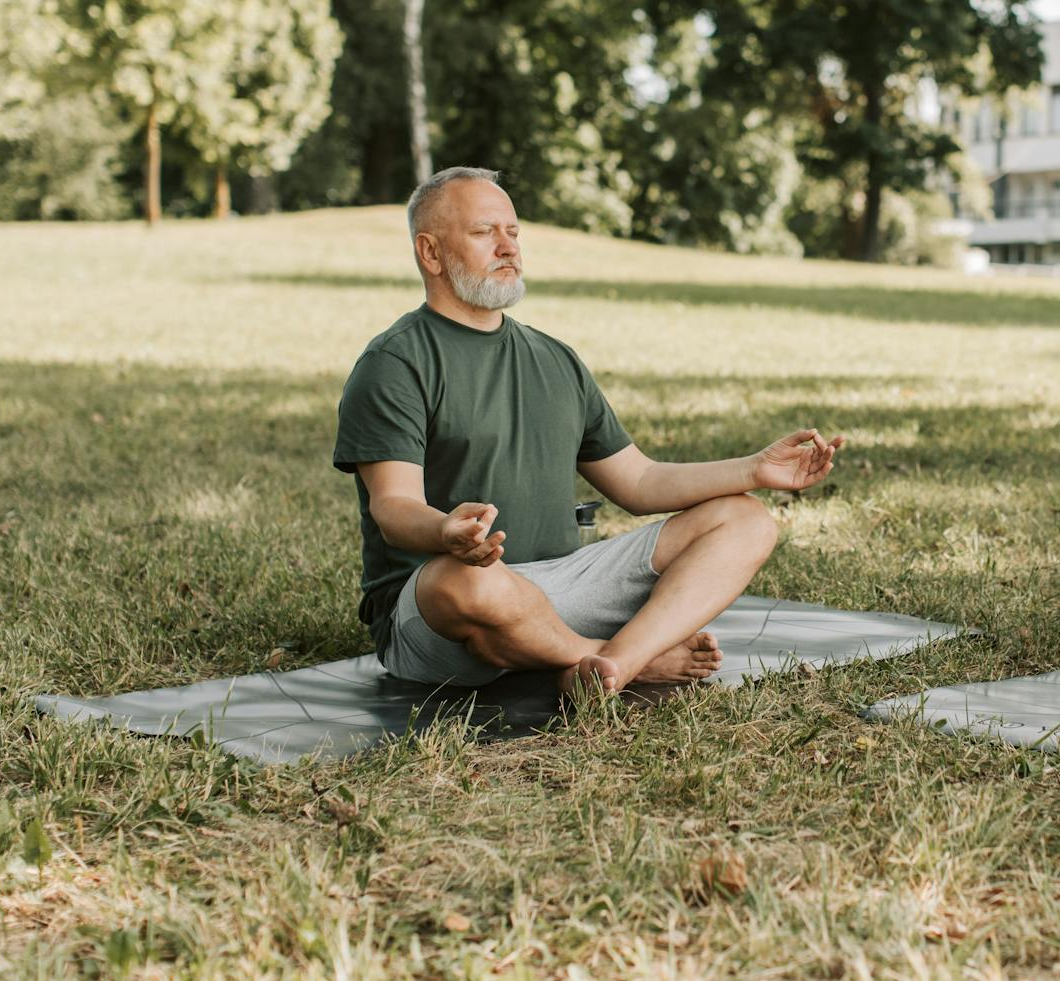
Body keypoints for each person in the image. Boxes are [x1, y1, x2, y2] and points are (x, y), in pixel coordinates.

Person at [334, 167, 845, 695]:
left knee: (745, 520)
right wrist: (446, 532)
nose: (507, 247)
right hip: (444, 606)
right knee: (467, 583)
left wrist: (753, 469)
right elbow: (393, 509)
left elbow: (639, 483)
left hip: (563, 585)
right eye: (485, 232)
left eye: (514, 232)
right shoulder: (395, 362)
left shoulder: (555, 359)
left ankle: (607, 664)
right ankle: (627, 660)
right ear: (431, 253)